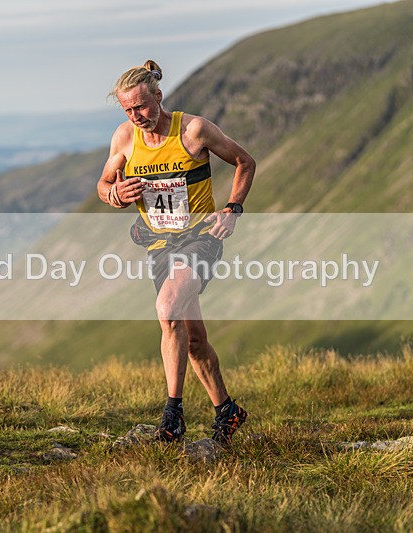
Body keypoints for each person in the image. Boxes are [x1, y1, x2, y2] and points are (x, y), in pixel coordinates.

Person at [98, 60, 256, 445]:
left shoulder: (194, 130)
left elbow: (244, 161)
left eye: (143, 107)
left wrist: (233, 209)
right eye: (129, 110)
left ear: (158, 96)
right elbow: (103, 185)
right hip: (158, 246)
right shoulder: (125, 138)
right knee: (193, 338)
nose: (137, 116)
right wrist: (116, 194)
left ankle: (173, 415)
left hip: (200, 239)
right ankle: (227, 410)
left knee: (168, 308)